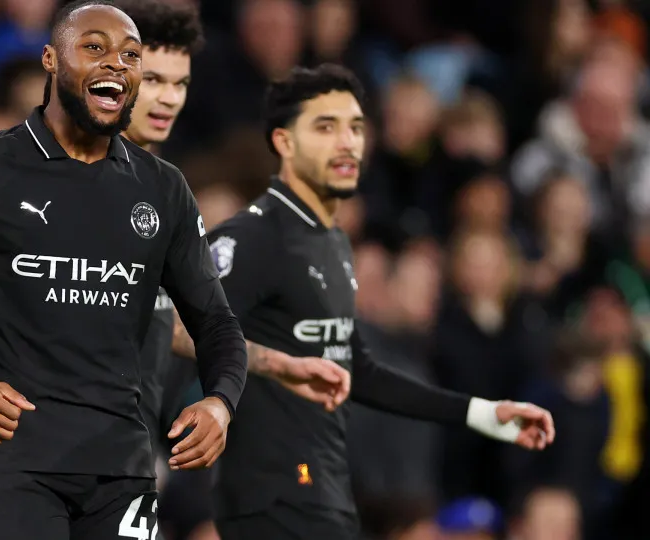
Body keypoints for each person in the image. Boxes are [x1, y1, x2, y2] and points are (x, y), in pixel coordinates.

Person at [0, 2, 349, 536]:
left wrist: (272, 363)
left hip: (121, 461)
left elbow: (155, 314)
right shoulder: (49, 176)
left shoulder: (158, 186)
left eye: (180, 83)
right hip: (26, 465)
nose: (169, 97)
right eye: (154, 79)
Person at [170, 64, 555, 540]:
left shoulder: (329, 249)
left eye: (354, 127)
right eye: (326, 127)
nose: (347, 142)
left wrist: (481, 413)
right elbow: (179, 332)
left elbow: (361, 372)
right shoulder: (245, 240)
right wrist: (274, 367)